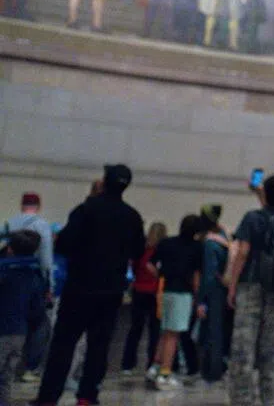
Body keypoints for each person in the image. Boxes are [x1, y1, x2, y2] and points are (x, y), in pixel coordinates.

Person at [35, 164, 145, 406]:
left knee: (64, 345)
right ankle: (87, 395)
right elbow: (138, 250)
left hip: (80, 287)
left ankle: (48, 397)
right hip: (111, 291)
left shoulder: (86, 210)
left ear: (104, 181)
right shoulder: (132, 216)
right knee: (99, 347)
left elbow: (64, 244)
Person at [225, 174, 274, 406]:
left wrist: (232, 286)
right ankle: (271, 398)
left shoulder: (251, 218)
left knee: (243, 349)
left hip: (251, 285)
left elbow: (243, 252)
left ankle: (242, 399)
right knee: (271, 349)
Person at [147, 214, 203, 391]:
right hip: (182, 293)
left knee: (165, 331)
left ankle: (154, 367)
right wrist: (198, 298)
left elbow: (149, 264)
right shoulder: (196, 247)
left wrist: (161, 276)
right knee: (173, 335)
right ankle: (165, 373)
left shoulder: (167, 243)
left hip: (165, 291)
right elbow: (196, 276)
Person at [1, 230, 48, 406]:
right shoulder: (35, 275)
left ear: (10, 249)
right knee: (6, 378)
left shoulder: (4, 272)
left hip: (2, 329)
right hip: (19, 333)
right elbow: (37, 311)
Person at [121, 222, 166, 375]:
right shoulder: (162, 252)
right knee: (154, 331)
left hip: (139, 290)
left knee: (135, 329)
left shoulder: (141, 250)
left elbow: (132, 268)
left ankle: (127, 364)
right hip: (155, 292)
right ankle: (151, 365)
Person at [198, 205, 230, 384]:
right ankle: (219, 367)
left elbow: (209, 275)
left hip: (214, 292)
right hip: (225, 290)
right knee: (220, 331)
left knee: (213, 332)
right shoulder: (225, 237)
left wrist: (202, 300)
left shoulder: (210, 244)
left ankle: (212, 370)